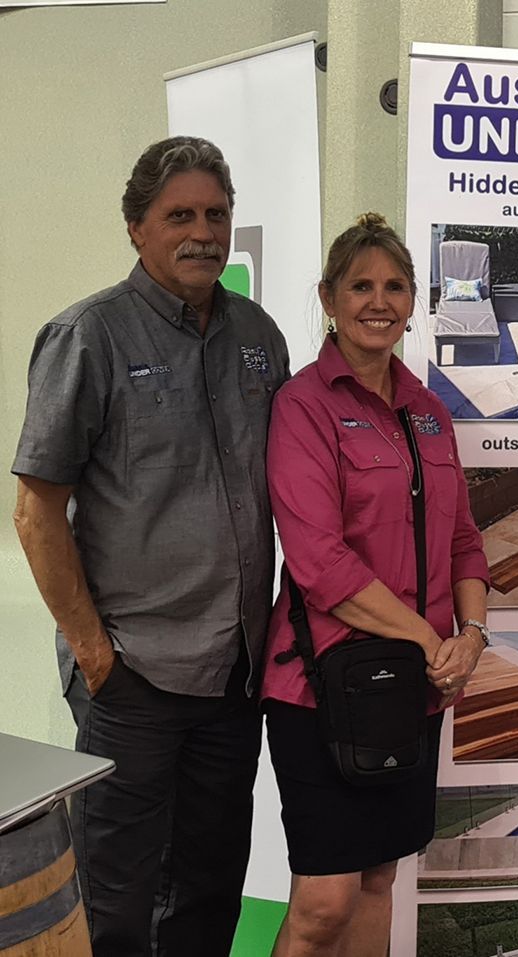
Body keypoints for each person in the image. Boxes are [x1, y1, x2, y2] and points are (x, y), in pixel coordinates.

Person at [11, 136, 289, 955]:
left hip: (235, 675)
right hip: (132, 676)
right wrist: (98, 655)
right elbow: (36, 512)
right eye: (180, 216)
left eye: (216, 214)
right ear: (136, 226)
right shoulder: (87, 336)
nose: (203, 232)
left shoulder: (257, 336)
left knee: (210, 889)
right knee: (116, 899)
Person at [261, 213, 490, 957]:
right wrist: (431, 638)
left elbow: (462, 539)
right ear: (329, 298)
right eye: (360, 285)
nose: (378, 301)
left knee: (377, 882)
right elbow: (319, 563)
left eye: (394, 286)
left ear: (414, 300)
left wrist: (473, 636)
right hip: (324, 682)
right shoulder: (303, 406)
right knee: (325, 900)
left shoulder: (427, 413)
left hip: (412, 690)